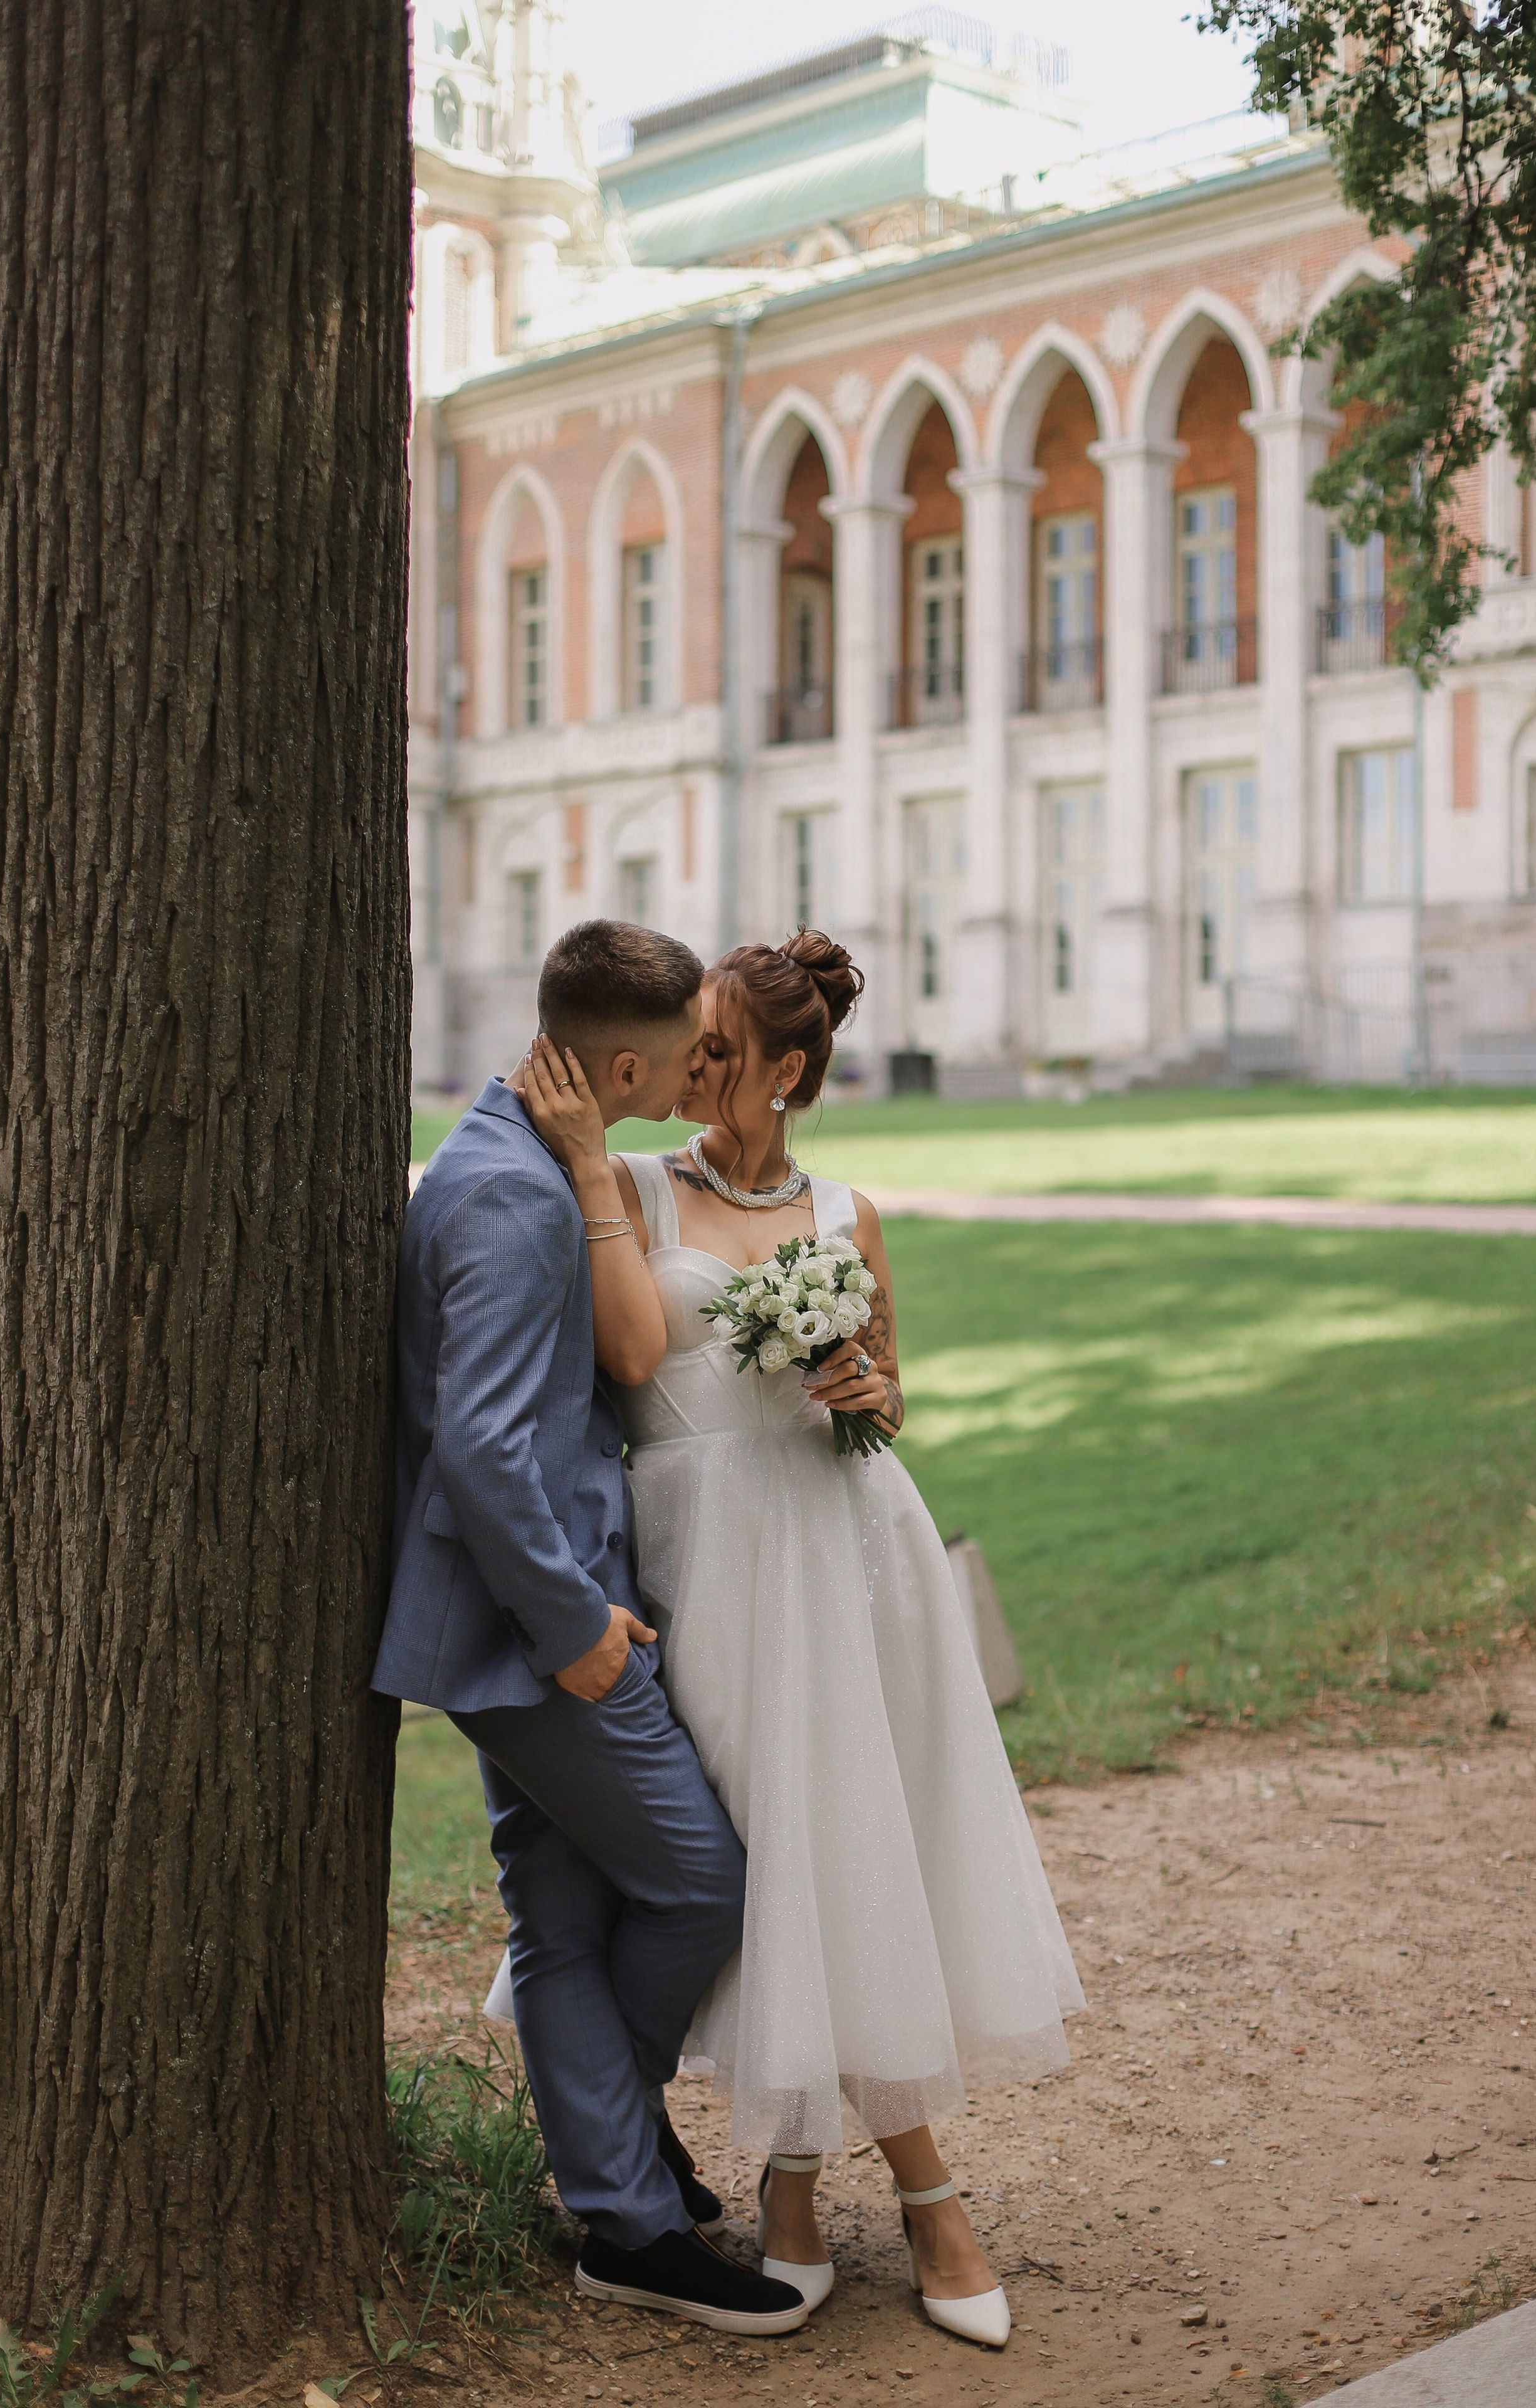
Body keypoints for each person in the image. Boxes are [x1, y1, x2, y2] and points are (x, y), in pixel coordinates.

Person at [516, 929, 1083, 2351]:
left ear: (787, 1069)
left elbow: (891, 1404)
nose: (697, 1066)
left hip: (851, 1560)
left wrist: (860, 1383)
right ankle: (833, 2180)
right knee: (767, 1862)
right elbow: (635, 1361)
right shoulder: (635, 1185)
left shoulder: (846, 1208)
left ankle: (839, 2187)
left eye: (721, 1048)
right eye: (690, 1039)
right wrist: (593, 1166)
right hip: (714, 1571)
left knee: (855, 1847)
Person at [373, 920, 810, 2338]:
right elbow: (489, 1452)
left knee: (559, 1920)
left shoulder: (513, 1157)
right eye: (684, 1053)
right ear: (622, 1060)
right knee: (700, 1882)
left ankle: (620, 2212)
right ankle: (619, 2171)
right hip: (537, 1628)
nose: (698, 1071)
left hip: (525, 1612)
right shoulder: (506, 1198)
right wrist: (576, 1632)